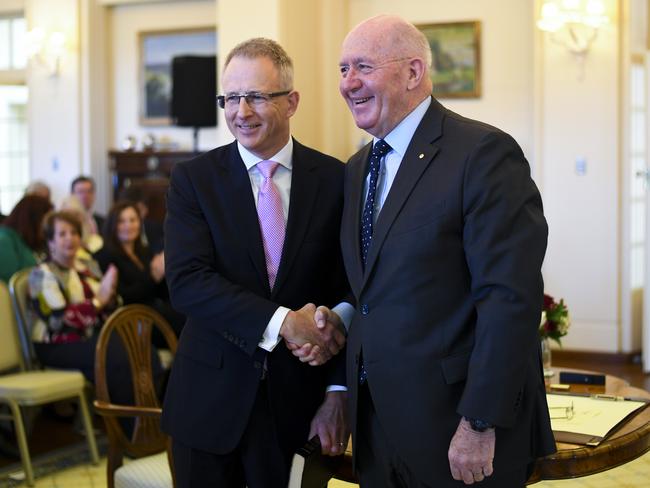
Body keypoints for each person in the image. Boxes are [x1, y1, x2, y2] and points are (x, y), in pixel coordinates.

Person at [295, 14, 556, 488]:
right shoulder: (357, 169)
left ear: (413, 72)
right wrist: (340, 331)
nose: (347, 83)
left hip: (457, 429)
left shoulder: (484, 154)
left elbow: (509, 299)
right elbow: (369, 291)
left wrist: (479, 422)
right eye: (341, 69)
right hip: (378, 429)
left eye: (362, 67)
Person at [161, 38, 350, 487]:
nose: (240, 112)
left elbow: (354, 289)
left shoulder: (337, 179)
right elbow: (187, 282)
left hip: (299, 410)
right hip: (207, 407)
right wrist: (285, 322)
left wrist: (337, 390)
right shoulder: (193, 181)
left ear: (292, 102)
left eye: (257, 97)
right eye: (230, 98)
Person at [28, 210, 162, 410]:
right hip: (57, 343)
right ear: (51, 242)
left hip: (94, 336)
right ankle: (129, 430)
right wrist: (98, 302)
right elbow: (60, 320)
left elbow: (114, 301)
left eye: (74, 233)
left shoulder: (87, 266)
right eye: (62, 234)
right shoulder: (41, 274)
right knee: (117, 359)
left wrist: (107, 299)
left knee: (144, 350)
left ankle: (151, 418)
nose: (70, 239)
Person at [95, 201, 184, 339]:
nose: (128, 226)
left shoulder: (144, 251)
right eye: (121, 221)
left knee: (190, 315)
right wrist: (153, 276)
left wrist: (166, 272)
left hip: (155, 310)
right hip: (132, 318)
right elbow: (122, 298)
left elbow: (159, 291)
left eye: (133, 220)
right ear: (113, 225)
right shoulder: (105, 255)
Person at [0, 195, 53, 282]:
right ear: (34, 218)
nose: (48, 226)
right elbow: (9, 283)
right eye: (46, 221)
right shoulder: (4, 241)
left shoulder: (26, 238)